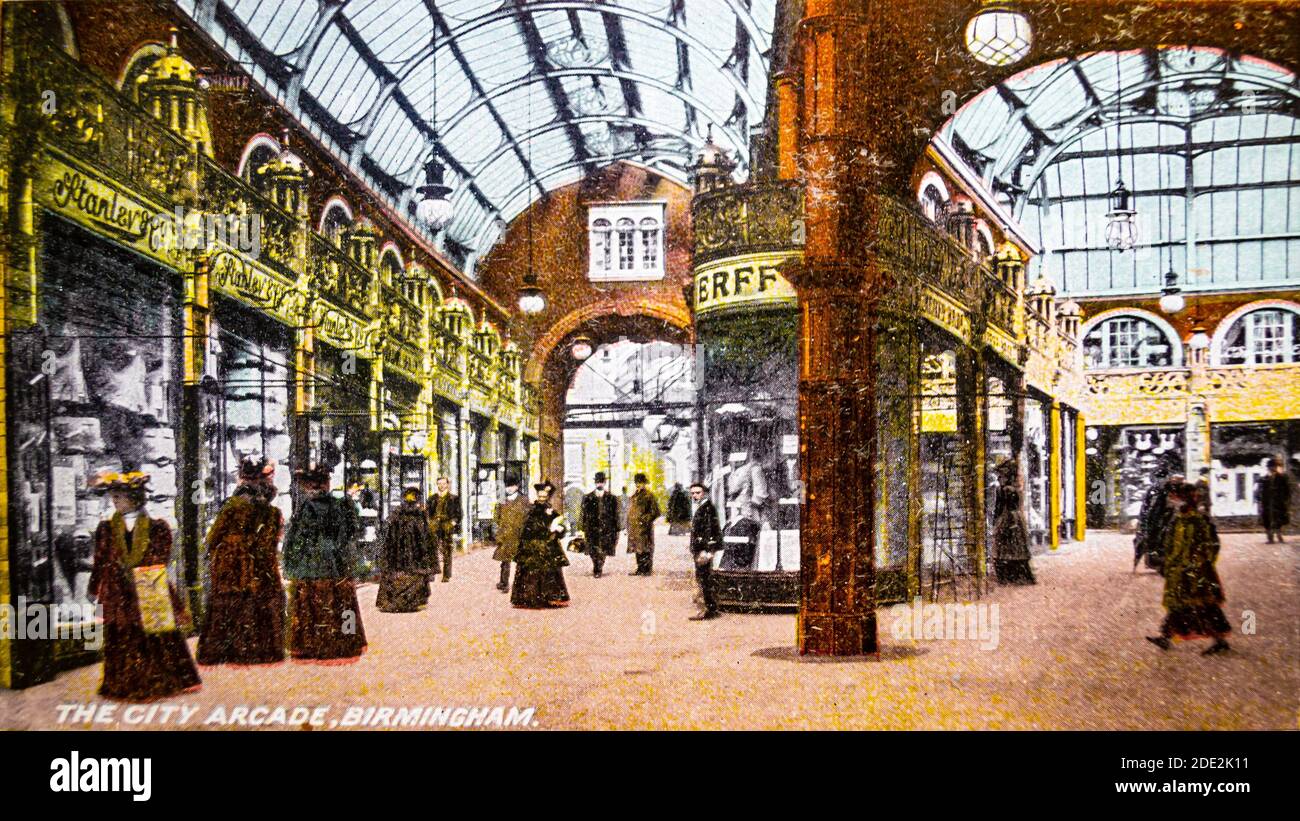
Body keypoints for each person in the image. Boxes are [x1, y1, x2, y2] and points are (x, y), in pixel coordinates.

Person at [89, 472, 201, 700]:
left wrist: (138, 569)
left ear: (135, 498)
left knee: (154, 634)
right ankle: (123, 683)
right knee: (122, 636)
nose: (115, 501)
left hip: (148, 586)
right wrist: (94, 587)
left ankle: (158, 679)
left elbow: (161, 557)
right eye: (114, 497)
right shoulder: (106, 528)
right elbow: (100, 560)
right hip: (118, 591)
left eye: (119, 496)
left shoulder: (157, 527)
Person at [197, 457, 285, 665]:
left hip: (233, 559)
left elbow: (215, 534)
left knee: (231, 599)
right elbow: (273, 538)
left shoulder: (234, 504)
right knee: (259, 599)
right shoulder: (271, 510)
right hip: (261, 559)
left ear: (242, 478)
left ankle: (227, 648)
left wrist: (210, 549)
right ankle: (261, 648)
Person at [283, 465, 367, 661]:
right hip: (334, 557)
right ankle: (343, 641)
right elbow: (347, 532)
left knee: (310, 599)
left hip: (312, 558)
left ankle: (312, 643)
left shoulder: (307, 507)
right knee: (340, 598)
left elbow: (300, 537)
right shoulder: (338, 505)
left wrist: (292, 560)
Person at [1146, 483, 1231, 656]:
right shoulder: (1178, 519)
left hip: (1196, 573)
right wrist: (1168, 563)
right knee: (1178, 606)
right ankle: (1165, 636)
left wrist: (1200, 563)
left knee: (1203, 607)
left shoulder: (1199, 520)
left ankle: (1219, 640)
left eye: (1175, 497)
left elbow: (1210, 545)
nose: (1172, 501)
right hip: (1180, 571)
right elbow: (1170, 544)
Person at [511, 482, 570, 608]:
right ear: (537, 496)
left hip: (549, 546)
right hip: (532, 546)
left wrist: (560, 529)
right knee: (532, 572)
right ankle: (531, 598)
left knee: (549, 572)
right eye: (540, 496)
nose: (542, 498)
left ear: (547, 497)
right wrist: (548, 528)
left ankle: (548, 597)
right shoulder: (531, 510)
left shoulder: (552, 511)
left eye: (545, 496)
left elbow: (561, 526)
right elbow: (529, 528)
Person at [375, 487, 434, 612]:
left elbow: (387, 532)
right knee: (414, 573)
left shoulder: (396, 514)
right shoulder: (419, 514)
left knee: (398, 573)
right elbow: (425, 535)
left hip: (397, 553)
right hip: (414, 553)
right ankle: (411, 601)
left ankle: (395, 601)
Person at [991, 458, 1035, 585]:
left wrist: (996, 522)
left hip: (1007, 518)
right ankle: (1018, 575)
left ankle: (1006, 576)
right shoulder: (1016, 488)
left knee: (1004, 548)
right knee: (1016, 547)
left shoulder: (1004, 490)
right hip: (1016, 518)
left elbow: (998, 508)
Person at [688, 483, 723, 620]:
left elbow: (709, 530)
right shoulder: (703, 507)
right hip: (700, 549)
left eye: (698, 493)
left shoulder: (707, 508)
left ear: (705, 493)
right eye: (693, 493)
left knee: (703, 580)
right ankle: (711, 609)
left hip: (703, 549)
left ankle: (706, 610)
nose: (695, 496)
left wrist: (707, 550)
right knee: (705, 579)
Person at [492, 478, 530, 592]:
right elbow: (496, 518)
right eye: (507, 486)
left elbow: (528, 517)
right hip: (505, 535)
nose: (509, 489)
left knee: (522, 561)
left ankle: (522, 584)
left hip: (519, 535)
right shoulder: (501, 501)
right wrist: (497, 534)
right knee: (505, 561)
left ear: (517, 487)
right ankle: (504, 583)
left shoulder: (524, 500)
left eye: (512, 486)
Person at [1134, 469, 1174, 573]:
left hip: (1163, 520)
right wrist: (1144, 519)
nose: (1161, 480)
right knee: (1153, 540)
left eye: (1163, 478)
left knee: (1160, 540)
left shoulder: (1166, 490)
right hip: (1155, 520)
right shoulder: (1155, 490)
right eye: (1159, 478)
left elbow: (1147, 507)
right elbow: (1146, 507)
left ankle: (1160, 561)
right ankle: (1156, 561)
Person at [580, 471, 620, 577]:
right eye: (598, 482)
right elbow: (583, 514)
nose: (599, 484)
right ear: (595, 483)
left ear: (605, 483)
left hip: (606, 528)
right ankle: (596, 565)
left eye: (601, 482)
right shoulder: (587, 498)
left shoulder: (612, 498)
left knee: (603, 549)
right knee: (593, 549)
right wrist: (582, 528)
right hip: (592, 528)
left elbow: (615, 514)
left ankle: (599, 568)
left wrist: (617, 528)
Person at [626, 473, 662, 575]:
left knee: (646, 548)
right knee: (638, 548)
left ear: (644, 483)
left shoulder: (649, 495)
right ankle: (640, 568)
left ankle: (647, 570)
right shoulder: (634, 495)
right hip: (635, 527)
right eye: (636, 482)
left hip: (645, 527)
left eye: (640, 482)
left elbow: (656, 512)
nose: (638, 484)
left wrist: (645, 519)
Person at [427, 477, 461, 582]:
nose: (441, 486)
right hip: (434, 526)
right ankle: (432, 573)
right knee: (432, 550)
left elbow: (459, 514)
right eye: (439, 484)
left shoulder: (454, 498)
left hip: (446, 526)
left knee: (447, 550)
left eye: (443, 483)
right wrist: (429, 522)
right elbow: (427, 513)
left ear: (447, 484)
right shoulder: (432, 498)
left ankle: (446, 575)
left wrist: (452, 523)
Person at [1259, 457, 1291, 543]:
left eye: (1273, 466)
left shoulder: (1282, 478)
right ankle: (1270, 538)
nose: (1272, 468)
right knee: (1267, 520)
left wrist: (1284, 499)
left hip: (1278, 503)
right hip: (1267, 503)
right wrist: (1261, 501)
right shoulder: (1264, 479)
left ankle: (1279, 536)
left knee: (1278, 520)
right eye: (1270, 467)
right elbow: (1261, 492)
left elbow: (1287, 491)